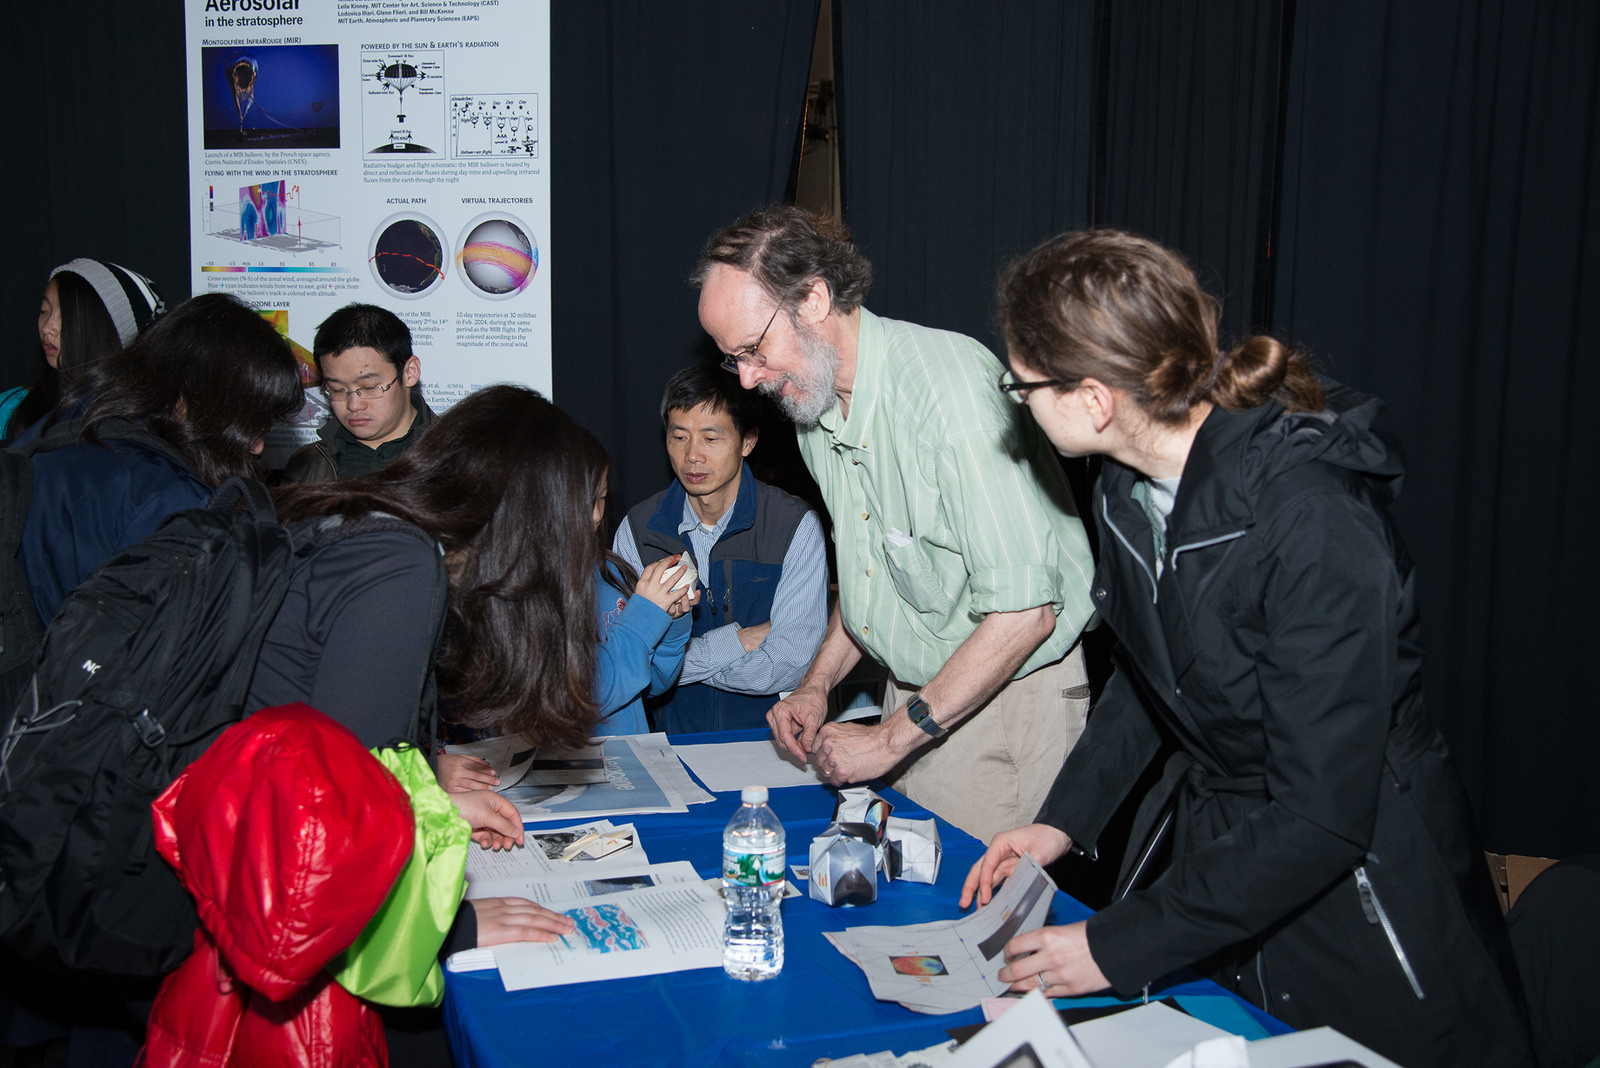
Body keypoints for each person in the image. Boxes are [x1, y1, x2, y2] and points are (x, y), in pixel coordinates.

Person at [960, 230, 1532, 1066]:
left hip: (1365, 898)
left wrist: (1115, 946)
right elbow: (1151, 682)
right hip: (1230, 871)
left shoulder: (1312, 519)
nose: (1017, 401)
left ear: (1093, 398)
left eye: (1023, 383)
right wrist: (1060, 824)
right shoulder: (1125, 487)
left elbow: (1321, 815)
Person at [694, 206, 1096, 843]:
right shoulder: (816, 410)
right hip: (917, 700)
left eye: (754, 349)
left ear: (815, 298)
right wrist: (816, 685)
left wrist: (888, 741)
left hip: (1005, 704)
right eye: (732, 360)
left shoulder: (949, 392)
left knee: (975, 933)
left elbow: (1026, 614)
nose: (748, 378)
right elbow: (875, 581)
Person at [16, 292, 302, 625]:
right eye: (251, 423)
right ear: (208, 400)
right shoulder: (170, 502)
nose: (256, 447)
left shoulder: (72, 422)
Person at [614, 364, 827, 733]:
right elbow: (623, 664)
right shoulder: (639, 529)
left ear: (748, 441)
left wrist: (671, 663)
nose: (692, 456)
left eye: (711, 439)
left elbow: (787, 664)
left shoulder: (793, 525)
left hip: (769, 744)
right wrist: (736, 641)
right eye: (679, 437)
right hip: (669, 745)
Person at [1, 258, 163, 442]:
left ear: (102, 329)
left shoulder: (142, 421)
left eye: (66, 316)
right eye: (45, 311)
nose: (47, 328)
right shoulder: (10, 406)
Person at [283, 302, 437, 482]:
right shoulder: (306, 465)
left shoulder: (461, 457)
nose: (354, 405)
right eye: (337, 389)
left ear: (409, 372)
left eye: (370, 387)